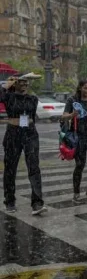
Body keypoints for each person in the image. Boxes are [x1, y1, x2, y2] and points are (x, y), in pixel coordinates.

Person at [1, 75, 47, 215]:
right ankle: (9, 201)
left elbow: (30, 115)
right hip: (13, 134)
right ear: (14, 83)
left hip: (30, 133)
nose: (24, 84)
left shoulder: (32, 98)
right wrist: (6, 85)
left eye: (26, 82)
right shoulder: (8, 97)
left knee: (34, 167)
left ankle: (37, 203)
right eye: (20, 82)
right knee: (10, 168)